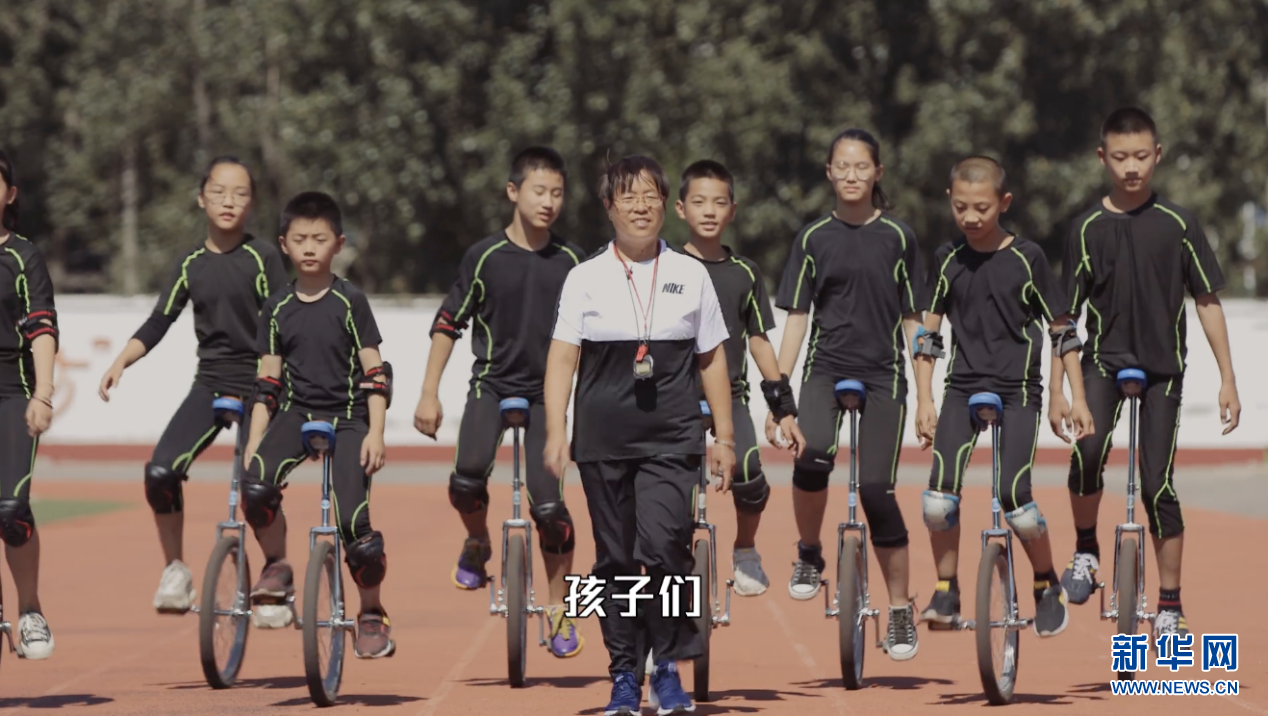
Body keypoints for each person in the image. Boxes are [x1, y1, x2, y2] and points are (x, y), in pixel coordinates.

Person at [544, 155, 735, 716]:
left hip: (673, 438)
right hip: (602, 442)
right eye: (628, 196)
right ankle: (624, 675)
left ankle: (667, 666)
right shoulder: (583, 277)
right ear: (609, 206)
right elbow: (561, 359)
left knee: (665, 548)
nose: (641, 206)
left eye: (651, 195)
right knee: (615, 563)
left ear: (665, 205)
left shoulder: (691, 274)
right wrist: (555, 430)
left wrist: (724, 437)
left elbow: (712, 358)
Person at [1055, 107, 1240, 639]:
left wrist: (1228, 378)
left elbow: (1206, 301)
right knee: (1087, 453)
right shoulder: (1085, 229)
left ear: (1157, 155)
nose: (1131, 167)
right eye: (1120, 157)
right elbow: (1064, 318)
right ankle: (1086, 550)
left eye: (1141, 156)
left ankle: (1170, 603)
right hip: (1102, 364)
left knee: (1158, 485)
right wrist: (1061, 391)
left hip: (1163, 371)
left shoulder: (1180, 225)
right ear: (1102, 158)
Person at [414, 146, 588, 658]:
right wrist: (428, 393)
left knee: (551, 511)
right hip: (491, 385)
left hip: (548, 395)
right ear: (513, 192)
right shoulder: (484, 256)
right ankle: (477, 542)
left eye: (558, 193)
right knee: (466, 480)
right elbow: (448, 322)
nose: (548, 202)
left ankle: (559, 609)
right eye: (539, 191)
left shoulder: (574, 262)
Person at [98, 156, 289, 617]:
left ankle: (275, 574)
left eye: (240, 193)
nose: (228, 201)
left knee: (256, 487)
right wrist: (122, 360)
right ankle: (175, 572)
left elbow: (284, 322)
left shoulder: (262, 257)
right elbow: (160, 319)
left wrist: (279, 387)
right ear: (202, 198)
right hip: (212, 383)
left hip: (263, 383)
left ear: (252, 203)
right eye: (218, 191)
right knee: (160, 473)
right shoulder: (191, 263)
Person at [913, 156, 1092, 639]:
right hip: (961, 387)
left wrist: (1072, 396)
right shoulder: (947, 258)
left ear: (1004, 203)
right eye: (961, 207)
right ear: (950, 201)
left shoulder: (1028, 258)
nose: (970, 217)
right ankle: (945, 589)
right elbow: (928, 335)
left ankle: (1045, 583)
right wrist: (924, 399)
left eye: (982, 208)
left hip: (1017, 391)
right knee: (937, 502)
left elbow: (1063, 331)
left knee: (1017, 502)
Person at [772, 129, 924, 660]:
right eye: (843, 166)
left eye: (862, 166)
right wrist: (779, 395)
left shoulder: (900, 238)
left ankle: (900, 609)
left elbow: (915, 321)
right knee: (812, 455)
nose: (852, 175)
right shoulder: (813, 238)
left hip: (884, 374)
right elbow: (796, 318)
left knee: (878, 490)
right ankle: (809, 552)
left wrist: (926, 396)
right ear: (829, 172)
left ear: (877, 173)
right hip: (825, 369)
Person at [241, 191, 396, 659]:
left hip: (349, 417)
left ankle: (371, 612)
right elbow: (268, 385)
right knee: (256, 487)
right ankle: (277, 565)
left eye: (320, 239)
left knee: (355, 526)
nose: (309, 247)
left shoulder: (351, 302)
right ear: (284, 244)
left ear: (338, 244)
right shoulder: (276, 308)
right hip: (297, 412)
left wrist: (376, 432)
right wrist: (254, 442)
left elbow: (375, 373)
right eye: (300, 239)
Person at [673, 159, 805, 596]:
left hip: (730, 398)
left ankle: (746, 549)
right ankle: (670, 579)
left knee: (750, 478)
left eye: (719, 202)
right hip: (672, 400)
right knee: (668, 498)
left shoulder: (745, 273)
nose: (709, 211)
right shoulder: (665, 267)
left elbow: (760, 343)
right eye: (699, 202)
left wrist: (783, 408)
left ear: (732, 210)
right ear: (680, 209)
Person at [0, 150, 58, 659]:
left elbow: (41, 328)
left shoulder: (23, 258)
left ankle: (30, 609)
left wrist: (42, 393)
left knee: (11, 508)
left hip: (12, 392)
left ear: (10, 194)